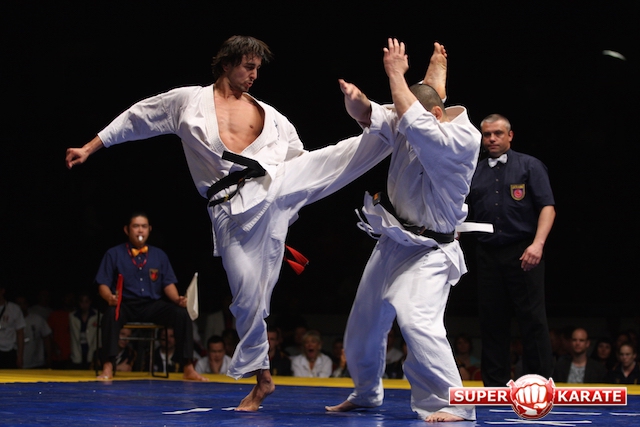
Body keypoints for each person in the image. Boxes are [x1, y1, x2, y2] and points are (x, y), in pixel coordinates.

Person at [65, 35, 391, 410]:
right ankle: (263, 380)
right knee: (247, 299)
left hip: (274, 185)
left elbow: (299, 156)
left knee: (332, 159)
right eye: (248, 67)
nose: (254, 75)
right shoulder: (189, 102)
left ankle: (396, 120)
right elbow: (139, 116)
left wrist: (288, 205)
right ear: (226, 64)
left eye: (257, 69)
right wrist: (91, 146)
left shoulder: (271, 116)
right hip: (229, 211)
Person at [326, 39, 480, 422]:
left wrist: (395, 72)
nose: (402, 120)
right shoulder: (420, 117)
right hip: (395, 239)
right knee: (363, 323)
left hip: (431, 250)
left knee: (415, 318)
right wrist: (355, 100)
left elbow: (417, 116)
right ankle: (366, 393)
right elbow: (374, 114)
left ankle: (455, 403)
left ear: (437, 115)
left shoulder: (462, 140)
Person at [466, 112, 556, 387]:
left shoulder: (530, 166)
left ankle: (539, 384)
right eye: (487, 134)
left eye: (498, 133)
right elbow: (461, 209)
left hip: (523, 250)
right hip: (487, 253)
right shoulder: (473, 170)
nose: (492, 139)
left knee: (532, 319)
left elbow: (547, 207)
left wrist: (538, 244)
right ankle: (495, 386)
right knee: (491, 320)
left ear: (510, 135)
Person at [93, 212, 205, 381]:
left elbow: (168, 284)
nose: (140, 230)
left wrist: (177, 299)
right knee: (109, 314)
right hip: (125, 304)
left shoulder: (159, 255)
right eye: (136, 226)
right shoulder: (113, 254)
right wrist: (109, 297)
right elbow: (102, 283)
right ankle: (108, 365)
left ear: (149, 229)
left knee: (181, 314)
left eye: (144, 226)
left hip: (152, 305)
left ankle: (188, 366)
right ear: (127, 230)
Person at [15, 295, 52, 369]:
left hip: (36, 363)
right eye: (19, 304)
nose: (22, 306)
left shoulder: (37, 319)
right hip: (17, 363)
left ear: (27, 304)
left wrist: (49, 356)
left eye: (24, 303)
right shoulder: (11, 321)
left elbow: (46, 337)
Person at [69, 292, 99, 369]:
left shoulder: (97, 316)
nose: (84, 304)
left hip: (92, 351)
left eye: (86, 301)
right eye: (81, 302)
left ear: (90, 302)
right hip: (77, 350)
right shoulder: (72, 316)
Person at [0, 285, 25, 369]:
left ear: (2, 291)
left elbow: (20, 333)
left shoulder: (14, 308)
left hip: (9, 350)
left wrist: (20, 356)